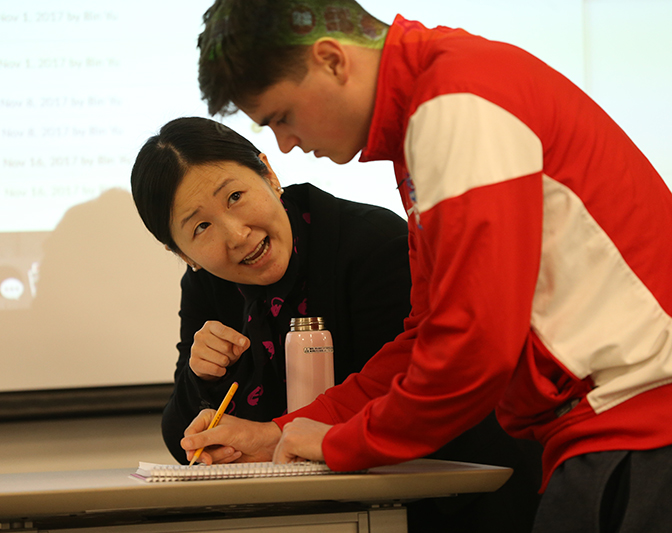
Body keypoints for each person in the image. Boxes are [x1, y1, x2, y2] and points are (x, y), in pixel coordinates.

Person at [181, 1, 672, 532]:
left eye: (282, 117)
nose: (286, 144)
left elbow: (472, 344)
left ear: (332, 61)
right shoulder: (432, 107)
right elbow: (426, 335)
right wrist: (283, 432)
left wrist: (341, 442)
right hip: (612, 431)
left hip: (640, 429)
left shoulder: (456, 103)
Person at [131, 116, 542, 532]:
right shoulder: (209, 285)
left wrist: (273, 435)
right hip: (319, 515)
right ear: (183, 254)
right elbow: (180, 441)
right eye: (201, 227)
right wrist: (201, 378)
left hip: (450, 503)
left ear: (269, 174)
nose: (236, 235)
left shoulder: (372, 245)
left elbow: (403, 398)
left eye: (235, 196)